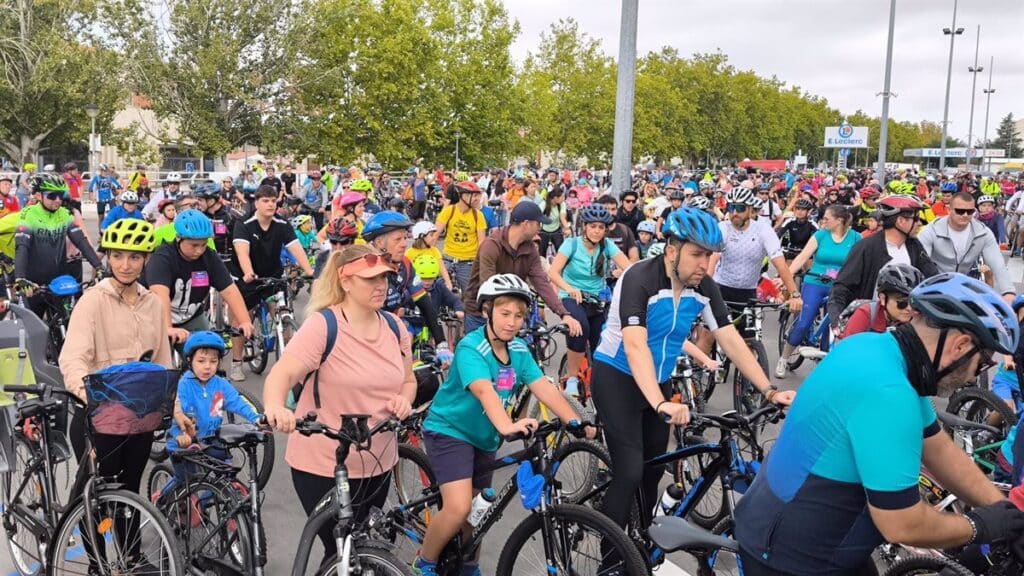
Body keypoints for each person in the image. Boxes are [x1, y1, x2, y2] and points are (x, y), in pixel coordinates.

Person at [735, 273, 1024, 575]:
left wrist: (1010, 515)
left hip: (815, 537)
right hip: (793, 557)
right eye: (983, 363)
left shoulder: (875, 350)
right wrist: (978, 526)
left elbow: (938, 449)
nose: (973, 377)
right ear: (961, 346)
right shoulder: (889, 392)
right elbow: (902, 523)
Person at [592, 207, 794, 537]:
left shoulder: (703, 287)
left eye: (709, 255)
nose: (705, 263)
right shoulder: (639, 278)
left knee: (653, 472)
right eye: (697, 254)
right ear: (672, 250)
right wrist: (660, 403)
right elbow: (635, 347)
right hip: (617, 377)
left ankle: (639, 542)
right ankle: (611, 558)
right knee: (629, 471)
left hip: (658, 381)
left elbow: (730, 339)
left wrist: (769, 390)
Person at [414, 274, 594, 576]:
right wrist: (507, 427)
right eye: (504, 313)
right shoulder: (472, 347)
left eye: (519, 316)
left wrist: (577, 420)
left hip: (484, 437)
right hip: (450, 431)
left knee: (479, 512)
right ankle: (424, 563)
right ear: (487, 311)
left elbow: (545, 388)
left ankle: (468, 566)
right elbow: (484, 390)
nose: (512, 322)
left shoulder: (520, 351)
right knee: (459, 508)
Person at [262, 244, 416, 561]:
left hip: (379, 461)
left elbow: (408, 379)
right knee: (341, 549)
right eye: (370, 280)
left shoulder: (394, 326)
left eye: (384, 279)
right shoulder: (323, 326)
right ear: (346, 282)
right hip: (323, 463)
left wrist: (404, 398)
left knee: (361, 549)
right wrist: (275, 406)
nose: (381, 286)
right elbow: (284, 372)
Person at [59, 217, 191, 494]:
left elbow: (162, 366)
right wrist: (94, 397)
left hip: (139, 417)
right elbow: (72, 360)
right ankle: (69, 536)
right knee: (94, 495)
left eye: (134, 257)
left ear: (146, 259)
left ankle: (127, 539)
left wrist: (176, 410)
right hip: (98, 417)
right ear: (107, 257)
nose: (125, 265)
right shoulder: (92, 301)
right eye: (117, 256)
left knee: (129, 493)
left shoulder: (153, 304)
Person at [158, 331, 261, 495]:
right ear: (189, 361)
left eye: (213, 361)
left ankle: (206, 504)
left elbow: (238, 402)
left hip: (210, 440)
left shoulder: (220, 384)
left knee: (226, 471)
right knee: (187, 478)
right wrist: (180, 435)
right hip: (183, 442)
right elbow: (177, 414)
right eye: (201, 361)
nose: (207, 366)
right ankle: (161, 499)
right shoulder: (183, 385)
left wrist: (257, 418)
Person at [229, 186, 314, 380]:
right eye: (265, 201)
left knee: (284, 314)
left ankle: (288, 362)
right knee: (243, 319)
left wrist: (309, 271)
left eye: (273, 201)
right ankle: (236, 363)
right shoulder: (244, 224)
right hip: (249, 277)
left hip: (274, 276)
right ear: (256, 203)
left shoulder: (282, 224)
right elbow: (242, 252)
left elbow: (295, 247)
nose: (270, 204)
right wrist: (249, 272)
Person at [461, 202, 583, 337]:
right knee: (479, 354)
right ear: (526, 224)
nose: (539, 228)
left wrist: (564, 314)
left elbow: (542, 283)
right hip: (481, 312)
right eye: (538, 224)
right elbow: (488, 284)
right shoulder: (492, 245)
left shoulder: (530, 249)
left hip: (510, 312)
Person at [547, 204, 631, 397]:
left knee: (603, 341)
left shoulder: (607, 246)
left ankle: (598, 379)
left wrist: (628, 275)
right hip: (572, 298)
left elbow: (629, 267)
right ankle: (572, 377)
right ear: (584, 226)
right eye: (593, 226)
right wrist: (569, 288)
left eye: (601, 227)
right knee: (579, 328)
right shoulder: (572, 244)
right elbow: (553, 272)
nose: (597, 231)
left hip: (597, 301)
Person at [827, 194, 939, 329]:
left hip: (905, 325)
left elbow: (932, 277)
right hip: (870, 325)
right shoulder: (866, 247)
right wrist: (837, 322)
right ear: (900, 221)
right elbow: (841, 288)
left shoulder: (915, 246)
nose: (919, 223)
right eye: (915, 218)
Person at [147, 208, 252, 344]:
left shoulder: (209, 257)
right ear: (179, 238)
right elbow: (160, 294)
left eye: (203, 244)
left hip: (191, 317)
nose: (199, 250)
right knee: (161, 362)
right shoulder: (163, 257)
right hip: (159, 317)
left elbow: (230, 290)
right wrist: (167, 328)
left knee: (207, 352)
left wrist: (244, 321)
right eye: (194, 245)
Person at [776, 204, 858, 376]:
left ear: (839, 221)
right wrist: (786, 277)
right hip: (815, 281)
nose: (823, 222)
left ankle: (825, 367)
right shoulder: (820, 235)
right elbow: (801, 258)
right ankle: (784, 359)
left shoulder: (856, 238)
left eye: (827, 219)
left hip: (839, 287)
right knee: (804, 322)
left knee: (835, 326)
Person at [13, 174, 103, 320]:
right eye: (52, 196)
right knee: (31, 333)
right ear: (39, 195)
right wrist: (20, 278)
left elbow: (80, 241)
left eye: (61, 195)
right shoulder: (28, 215)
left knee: (67, 325)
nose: (57, 200)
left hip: (58, 281)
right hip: (33, 283)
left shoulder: (64, 214)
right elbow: (22, 248)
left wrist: (99, 267)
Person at [917, 192, 1015, 304]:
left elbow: (998, 264)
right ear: (949, 210)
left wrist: (1008, 292)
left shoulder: (983, 232)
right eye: (959, 211)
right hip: (934, 287)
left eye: (969, 211)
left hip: (965, 286)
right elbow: (920, 264)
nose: (965, 215)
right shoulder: (930, 231)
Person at [837, 263, 924, 340]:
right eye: (902, 303)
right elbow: (849, 351)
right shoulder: (865, 315)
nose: (909, 308)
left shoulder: (916, 318)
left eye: (913, 302)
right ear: (883, 299)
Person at [435, 181, 487, 294]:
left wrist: (480, 263)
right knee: (437, 288)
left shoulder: (478, 215)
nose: (478, 199)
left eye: (478, 196)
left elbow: (482, 242)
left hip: (468, 261)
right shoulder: (449, 211)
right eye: (475, 196)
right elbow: (434, 234)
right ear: (465, 196)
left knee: (470, 295)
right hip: (448, 258)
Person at [407, 221, 454, 290]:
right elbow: (406, 271)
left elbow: (442, 268)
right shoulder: (410, 253)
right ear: (421, 236)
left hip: (432, 283)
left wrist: (448, 283)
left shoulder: (434, 250)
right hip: (416, 286)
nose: (434, 238)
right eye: (431, 235)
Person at [777, 198, 818, 263]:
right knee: (788, 272)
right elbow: (778, 235)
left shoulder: (812, 223)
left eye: (803, 209)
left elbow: (819, 237)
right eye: (798, 209)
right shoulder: (789, 221)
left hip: (805, 251)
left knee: (809, 272)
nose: (800, 212)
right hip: (790, 250)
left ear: (808, 211)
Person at [538, 185, 570, 258]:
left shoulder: (562, 204)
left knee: (561, 252)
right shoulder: (544, 204)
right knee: (541, 253)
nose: (563, 199)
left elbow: (562, 217)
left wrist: (567, 228)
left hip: (557, 231)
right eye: (562, 197)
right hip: (544, 231)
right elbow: (537, 216)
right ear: (555, 198)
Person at [88, 164, 121, 231]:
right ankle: (101, 232)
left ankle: (113, 231)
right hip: (100, 200)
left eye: (107, 171)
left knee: (113, 216)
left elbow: (119, 187)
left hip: (110, 199)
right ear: (101, 171)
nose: (106, 172)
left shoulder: (110, 178)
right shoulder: (96, 178)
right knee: (101, 217)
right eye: (104, 171)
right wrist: (91, 197)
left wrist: (118, 196)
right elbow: (91, 188)